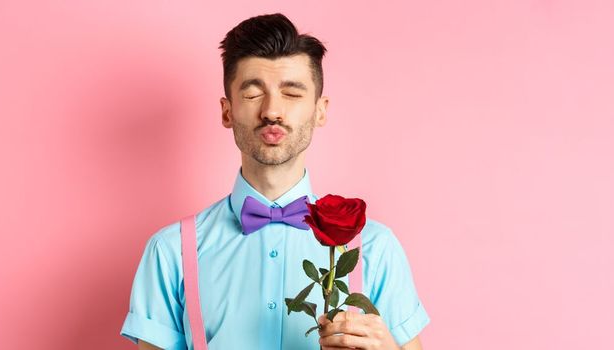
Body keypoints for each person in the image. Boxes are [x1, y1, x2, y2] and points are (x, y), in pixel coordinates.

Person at [120, 13, 428, 350]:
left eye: (292, 94)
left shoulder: (375, 248)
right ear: (227, 111)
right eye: (253, 94)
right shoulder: (170, 252)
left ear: (320, 111)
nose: (272, 110)